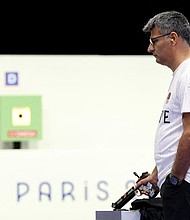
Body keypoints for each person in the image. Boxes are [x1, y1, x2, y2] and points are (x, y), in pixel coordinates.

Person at [135, 11, 190, 220]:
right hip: (177, 184)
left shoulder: (188, 75)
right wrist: (157, 175)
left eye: (154, 41)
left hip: (183, 185)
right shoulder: (181, 76)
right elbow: (176, 134)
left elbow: (189, 133)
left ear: (173, 38)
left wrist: (175, 178)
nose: (150, 48)